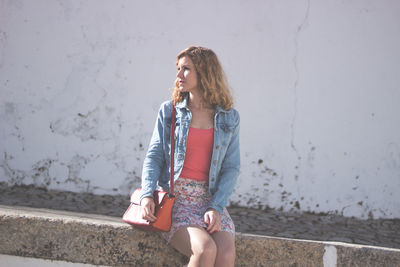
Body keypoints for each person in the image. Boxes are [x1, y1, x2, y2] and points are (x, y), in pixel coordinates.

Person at [139, 46, 240, 267]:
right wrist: (146, 195)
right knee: (204, 249)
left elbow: (231, 167)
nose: (178, 75)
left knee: (225, 254)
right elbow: (154, 156)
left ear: (205, 73)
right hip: (177, 201)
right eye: (178, 68)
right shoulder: (169, 111)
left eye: (186, 69)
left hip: (210, 201)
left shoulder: (228, 117)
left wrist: (216, 207)